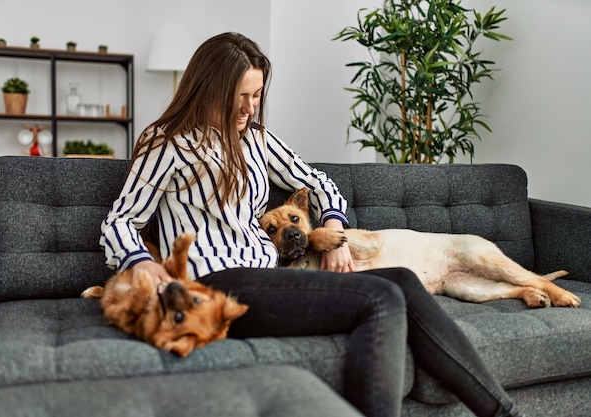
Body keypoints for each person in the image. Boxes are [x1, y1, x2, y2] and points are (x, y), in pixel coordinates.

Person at [100, 32, 522, 417]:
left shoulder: (257, 140)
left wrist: (335, 233)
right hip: (215, 283)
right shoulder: (167, 142)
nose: (249, 108)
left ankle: (503, 413)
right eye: (239, 96)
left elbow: (317, 182)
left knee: (403, 283)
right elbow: (119, 220)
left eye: (256, 94)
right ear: (209, 89)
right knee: (379, 299)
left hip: (267, 276)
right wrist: (139, 261)